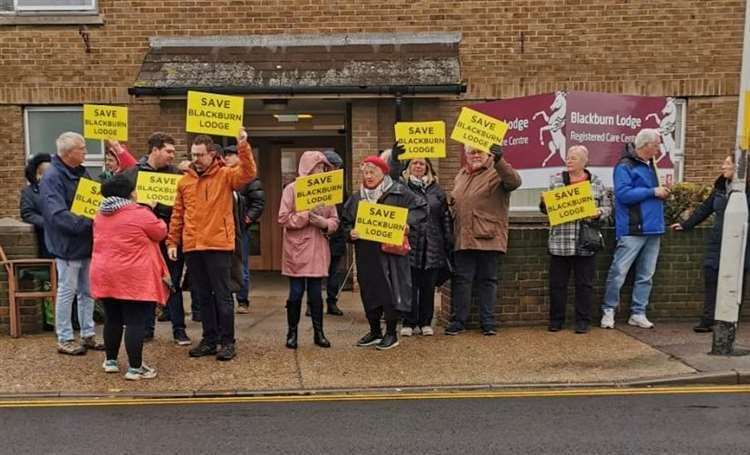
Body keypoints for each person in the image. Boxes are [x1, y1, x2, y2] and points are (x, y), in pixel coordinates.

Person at [167, 129, 256, 361]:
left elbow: (248, 173)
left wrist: (243, 146)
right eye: (193, 154)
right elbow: (178, 213)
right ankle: (209, 339)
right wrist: (172, 241)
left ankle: (227, 342)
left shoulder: (225, 175)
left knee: (223, 296)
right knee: (203, 296)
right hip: (194, 247)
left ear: (212, 154)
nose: (195, 159)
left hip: (218, 245)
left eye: (200, 155)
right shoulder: (185, 181)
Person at [341, 152, 427, 350]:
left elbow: (421, 208)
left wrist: (407, 223)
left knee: (390, 291)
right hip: (366, 253)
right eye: (366, 173)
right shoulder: (357, 198)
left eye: (373, 172)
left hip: (390, 253)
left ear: (383, 173)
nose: (369, 176)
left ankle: (390, 333)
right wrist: (350, 233)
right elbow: (345, 222)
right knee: (369, 292)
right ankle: (374, 331)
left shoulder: (398, 192)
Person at [90, 173, 169, 380]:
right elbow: (160, 232)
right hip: (132, 276)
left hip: (105, 273)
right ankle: (135, 369)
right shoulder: (139, 213)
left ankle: (111, 361)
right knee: (135, 321)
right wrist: (151, 209)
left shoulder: (100, 214)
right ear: (130, 193)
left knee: (113, 318)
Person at [445, 144, 522, 336]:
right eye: (472, 152)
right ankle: (459, 321)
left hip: (488, 236)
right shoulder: (461, 175)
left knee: (487, 281)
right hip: (463, 237)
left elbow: (514, 182)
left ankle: (488, 322)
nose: (475, 155)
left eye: (480, 151)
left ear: (488, 155)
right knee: (462, 281)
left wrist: (500, 161)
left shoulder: (497, 172)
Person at [123, 132, 190, 346]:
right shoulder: (133, 173)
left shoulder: (177, 174)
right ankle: (146, 329)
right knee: (146, 283)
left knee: (173, 284)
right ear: (155, 150)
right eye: (169, 151)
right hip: (143, 239)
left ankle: (179, 330)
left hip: (170, 236)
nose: (172, 155)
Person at [40, 132, 104, 355]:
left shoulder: (81, 172)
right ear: (69, 153)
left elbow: (92, 198)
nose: (86, 152)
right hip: (67, 244)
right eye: (82, 148)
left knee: (87, 291)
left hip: (84, 241)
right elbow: (57, 214)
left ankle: (88, 334)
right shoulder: (53, 177)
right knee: (68, 290)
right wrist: (87, 223)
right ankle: (65, 337)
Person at [671, 153, 750, 332]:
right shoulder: (721, 187)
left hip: (740, 243)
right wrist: (685, 225)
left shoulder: (745, 191)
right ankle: (707, 320)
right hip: (717, 240)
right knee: (711, 275)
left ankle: (730, 320)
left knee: (736, 281)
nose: (723, 166)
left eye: (727, 163)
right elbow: (705, 208)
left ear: (738, 168)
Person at [601, 129, 669, 329]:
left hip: (654, 227)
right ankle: (608, 309)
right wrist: (653, 191)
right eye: (656, 145)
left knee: (646, 275)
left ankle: (638, 312)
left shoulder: (651, 165)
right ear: (646, 145)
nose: (658, 149)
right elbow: (623, 195)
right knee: (619, 272)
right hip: (633, 227)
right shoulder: (624, 166)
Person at [539, 146, 611, 334]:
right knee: (557, 285)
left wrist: (599, 212)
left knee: (585, 285)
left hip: (585, 242)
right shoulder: (555, 181)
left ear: (584, 161)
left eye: (574, 158)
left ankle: (582, 321)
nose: (569, 161)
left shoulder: (596, 182)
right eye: (568, 157)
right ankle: (556, 320)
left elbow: (608, 208)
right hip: (560, 242)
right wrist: (544, 203)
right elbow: (546, 210)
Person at [278, 151, 339, 349]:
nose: (321, 170)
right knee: (295, 293)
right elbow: (283, 218)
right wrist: (305, 215)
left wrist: (325, 223)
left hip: (318, 249)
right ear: (308, 168)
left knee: (315, 294)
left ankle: (319, 333)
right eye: (318, 167)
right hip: (297, 249)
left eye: (323, 167)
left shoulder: (327, 191)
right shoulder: (292, 189)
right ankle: (292, 332)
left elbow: (335, 220)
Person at [398, 157, 453, 337]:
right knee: (410, 286)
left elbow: (445, 217)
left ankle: (425, 322)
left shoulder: (437, 191)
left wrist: (447, 240)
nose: (418, 166)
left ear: (428, 168)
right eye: (414, 163)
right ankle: (408, 321)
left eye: (422, 164)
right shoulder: (401, 188)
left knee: (428, 287)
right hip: (410, 243)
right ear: (408, 167)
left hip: (432, 244)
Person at [223, 145, 265, 314]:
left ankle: (242, 300)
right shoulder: (222, 176)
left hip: (241, 229)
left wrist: (246, 220)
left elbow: (258, 202)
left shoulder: (249, 178)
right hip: (223, 228)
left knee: (241, 265)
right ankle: (226, 299)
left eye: (230, 155)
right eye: (225, 155)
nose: (226, 158)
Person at [322, 150, 346, 316]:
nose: (336, 170)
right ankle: (312, 303)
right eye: (333, 167)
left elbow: (343, 209)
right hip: (318, 234)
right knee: (315, 273)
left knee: (334, 272)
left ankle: (332, 302)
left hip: (336, 235)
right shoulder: (313, 184)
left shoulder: (339, 186)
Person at [21, 153, 52, 258]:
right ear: (38, 173)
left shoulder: (60, 189)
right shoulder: (29, 192)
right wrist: (48, 223)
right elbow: (27, 213)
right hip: (45, 239)